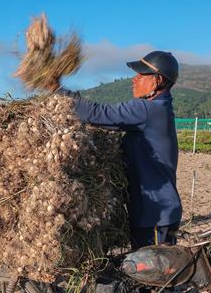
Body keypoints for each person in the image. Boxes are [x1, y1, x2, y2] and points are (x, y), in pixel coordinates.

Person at [54, 51, 182, 250]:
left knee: (155, 276)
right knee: (148, 273)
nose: (135, 79)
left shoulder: (147, 110)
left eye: (141, 75)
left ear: (156, 81)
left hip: (155, 214)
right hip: (156, 211)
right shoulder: (160, 107)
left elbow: (99, 114)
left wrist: (58, 91)